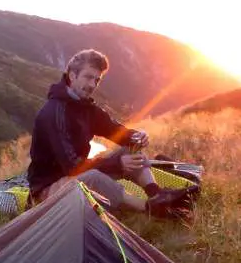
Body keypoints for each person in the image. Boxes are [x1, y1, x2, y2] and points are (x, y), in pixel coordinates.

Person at [26, 49, 198, 216]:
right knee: (94, 176)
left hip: (78, 175)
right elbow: (72, 166)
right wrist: (118, 164)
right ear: (72, 76)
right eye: (88, 77)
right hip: (48, 190)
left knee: (129, 151)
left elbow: (115, 130)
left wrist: (136, 136)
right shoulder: (54, 113)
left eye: (97, 79)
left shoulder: (86, 108)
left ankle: (157, 194)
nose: (92, 85)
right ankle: (151, 209)